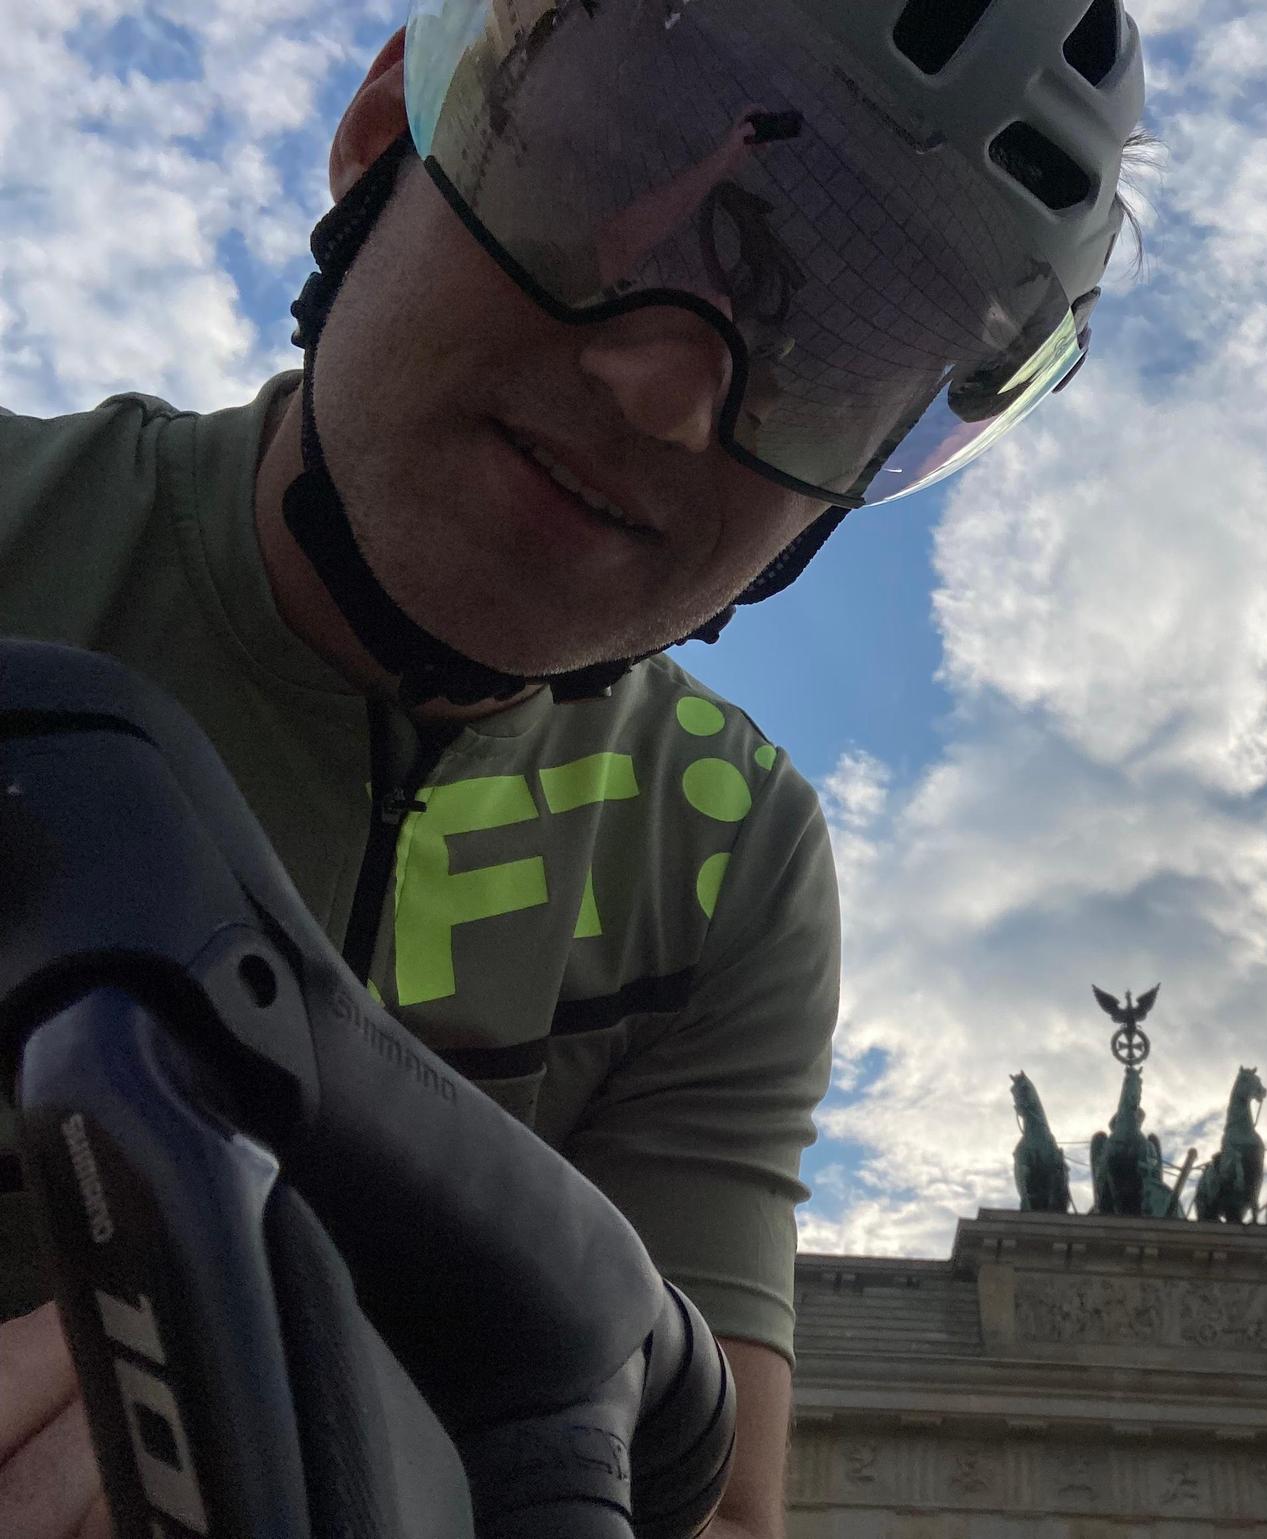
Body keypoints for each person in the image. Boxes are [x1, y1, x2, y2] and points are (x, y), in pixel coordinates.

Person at [0, 0, 1146, 1534]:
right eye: (610, 175)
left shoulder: (730, 854)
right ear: (379, 141)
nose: (665, 392)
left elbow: (708, 1508)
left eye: (833, 352)